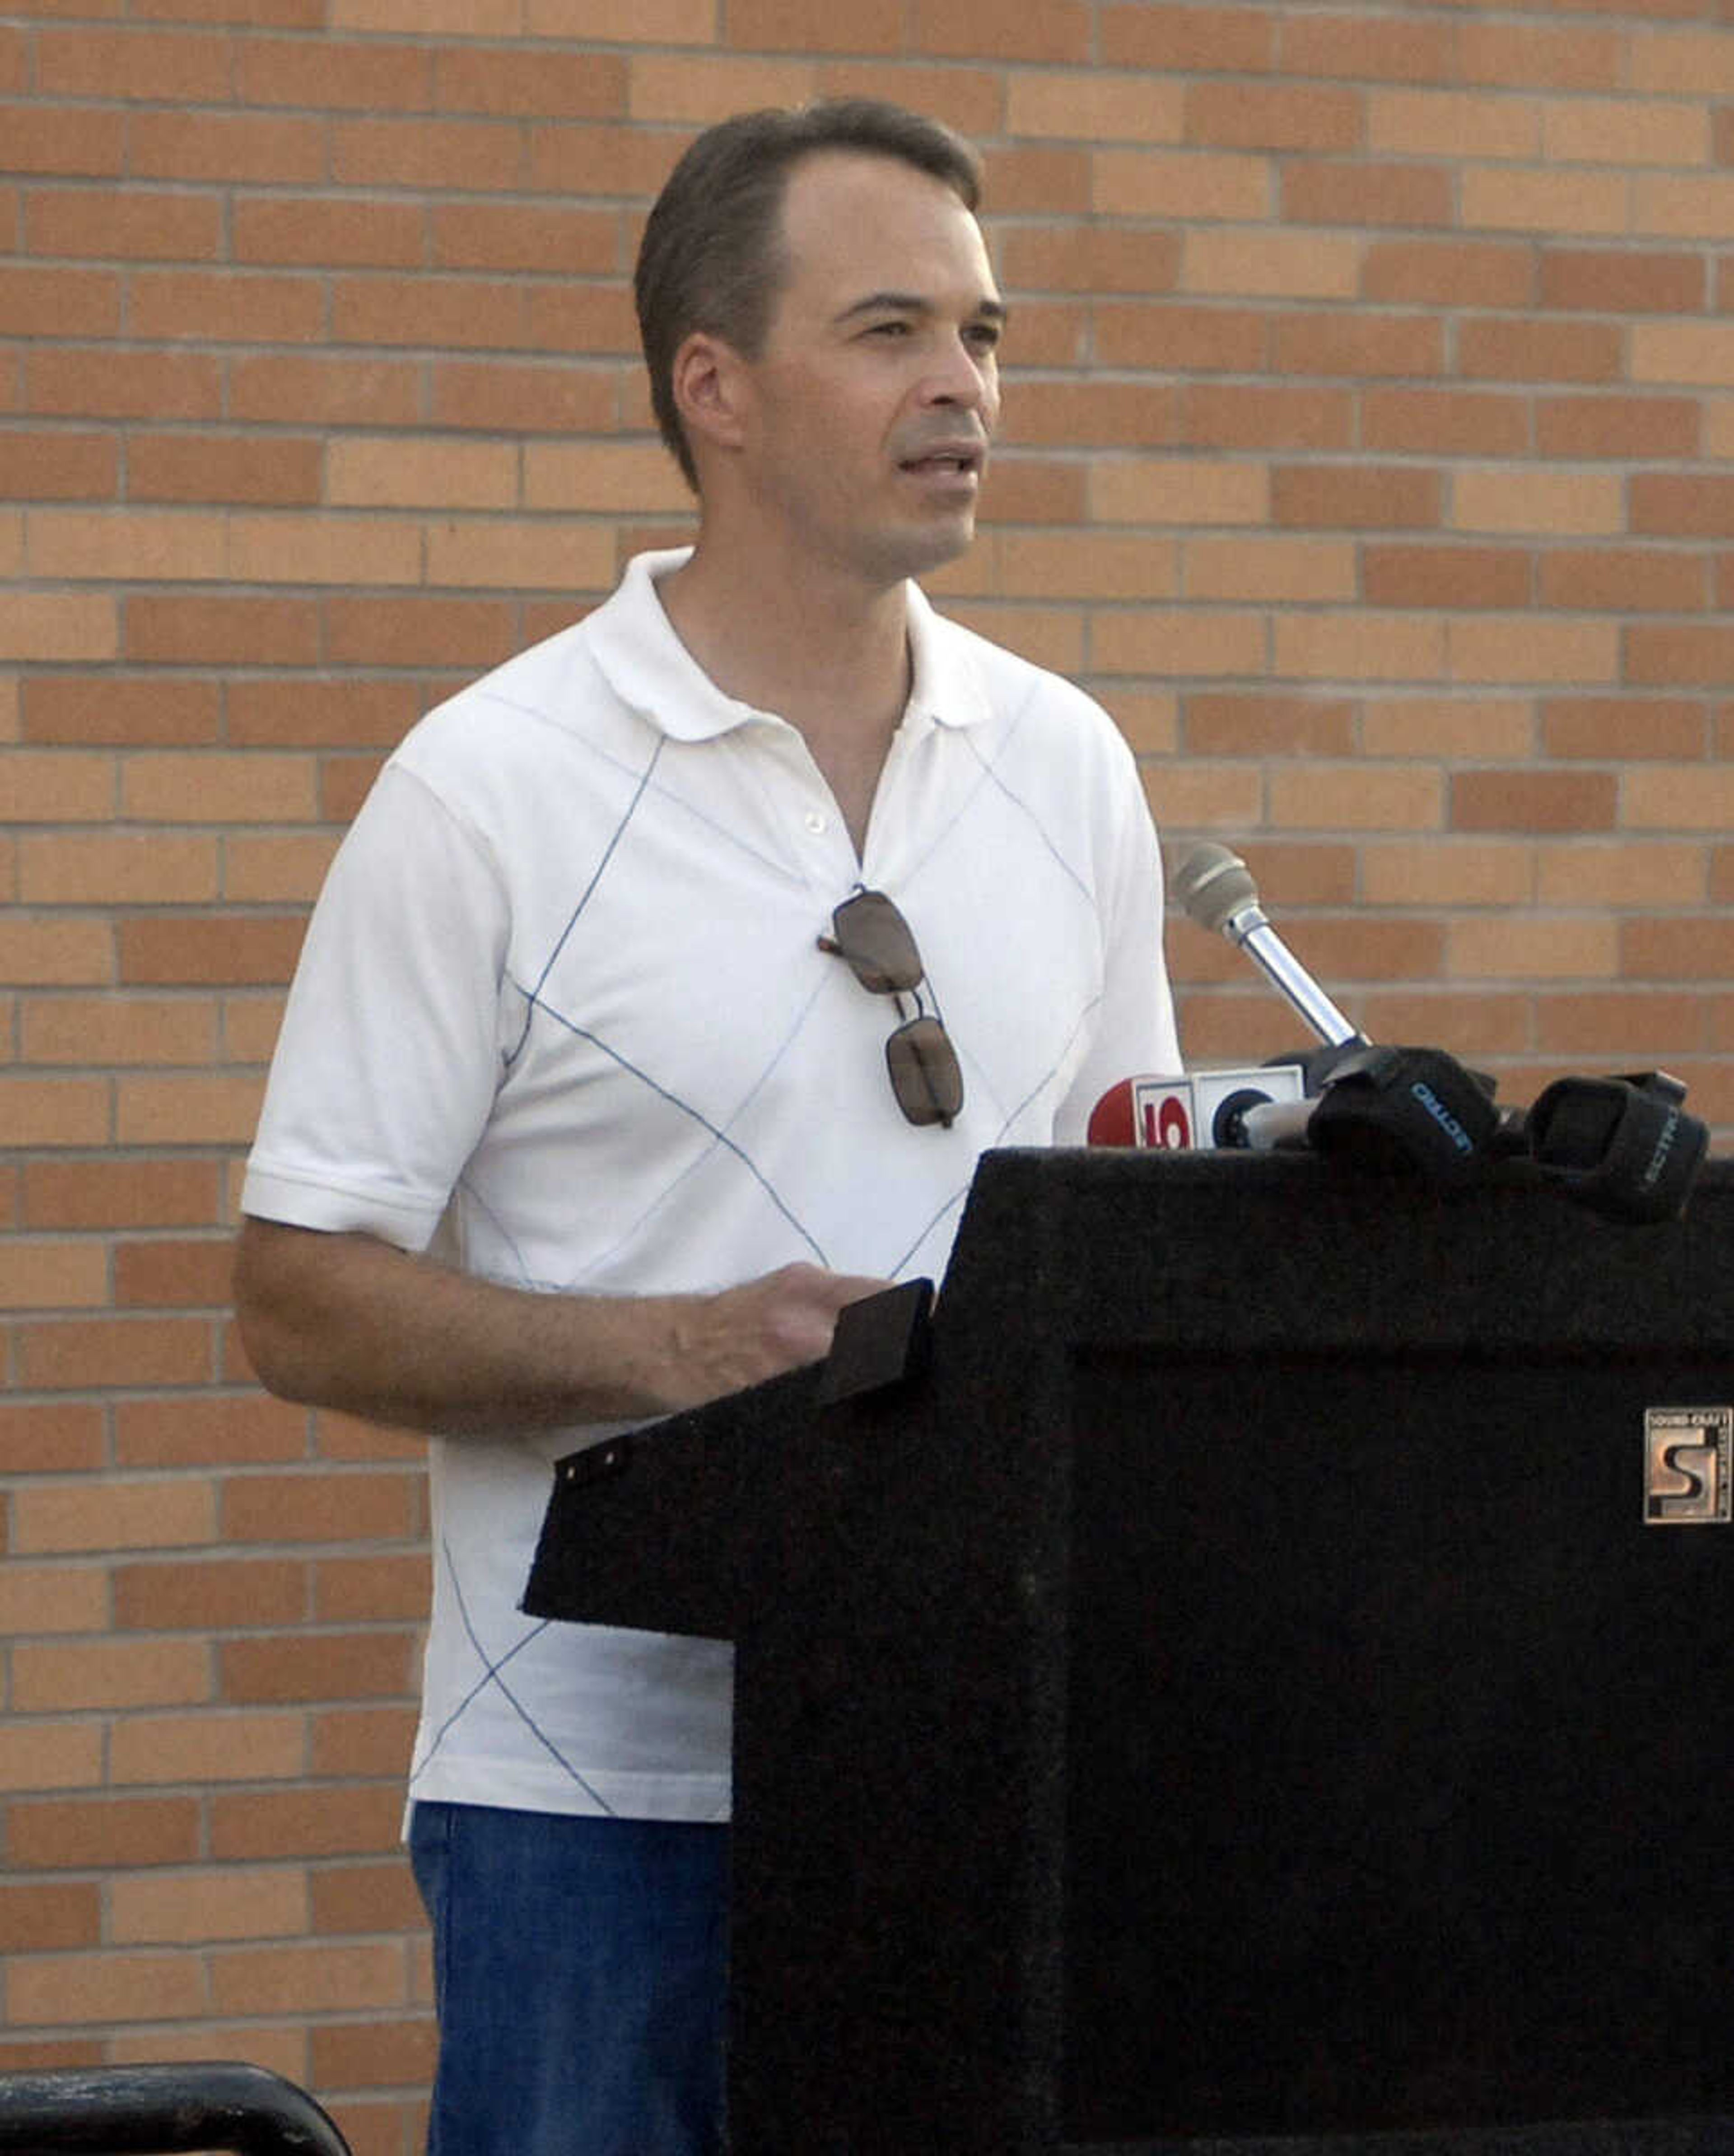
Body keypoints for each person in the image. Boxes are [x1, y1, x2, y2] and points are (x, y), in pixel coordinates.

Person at [233, 98, 1180, 2156]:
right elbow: (297, 1300)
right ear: (714, 386)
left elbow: (1128, 1215)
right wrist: (685, 1351)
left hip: (987, 1773)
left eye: (987, 335)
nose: (965, 385)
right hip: (595, 1804)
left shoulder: (1071, 767)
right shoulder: (489, 788)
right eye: (893, 330)